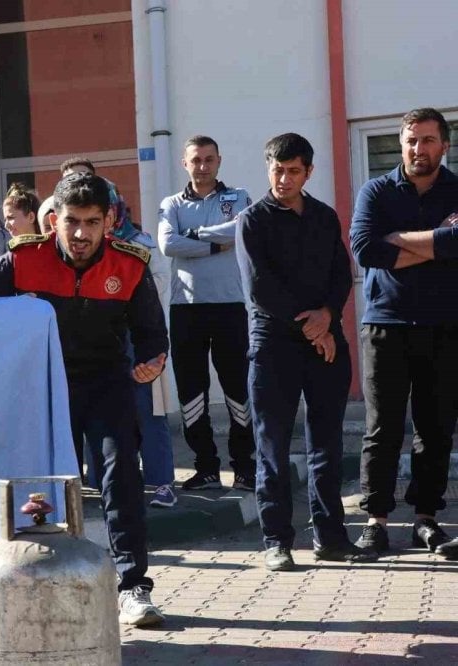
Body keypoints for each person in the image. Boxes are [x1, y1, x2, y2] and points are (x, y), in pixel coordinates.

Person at [0, 171, 169, 627]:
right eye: (71, 221)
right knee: (44, 484)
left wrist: (153, 361)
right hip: (43, 385)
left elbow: (152, 334)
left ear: (108, 221)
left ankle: (134, 587)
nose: (81, 234)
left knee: (121, 474)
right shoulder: (20, 259)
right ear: (54, 220)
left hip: (107, 382)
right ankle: (37, 582)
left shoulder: (130, 264)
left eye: (92, 222)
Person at [236, 133, 376, 571]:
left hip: (325, 342)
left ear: (308, 172)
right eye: (277, 170)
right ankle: (276, 539)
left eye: (293, 170)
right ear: (268, 169)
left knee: (326, 445)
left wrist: (329, 316)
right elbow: (261, 289)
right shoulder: (252, 221)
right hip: (274, 344)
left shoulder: (323, 216)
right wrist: (316, 328)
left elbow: (341, 273)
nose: (284, 178)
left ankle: (331, 537)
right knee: (273, 447)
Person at [349, 107, 458, 559]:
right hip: (386, 324)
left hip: (446, 326)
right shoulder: (375, 190)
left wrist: (399, 240)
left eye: (428, 140)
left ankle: (426, 521)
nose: (419, 148)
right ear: (401, 143)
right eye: (411, 140)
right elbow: (364, 249)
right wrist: (438, 244)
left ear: (444, 145)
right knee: (382, 427)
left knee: (435, 429)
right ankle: (375, 521)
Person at [159, 136, 256, 492]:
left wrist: (196, 235)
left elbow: (240, 229)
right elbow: (169, 244)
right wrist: (216, 244)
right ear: (185, 163)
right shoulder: (171, 203)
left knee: (237, 389)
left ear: (219, 161)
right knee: (191, 391)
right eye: (196, 160)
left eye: (209, 159)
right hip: (186, 309)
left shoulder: (237, 197)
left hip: (230, 306)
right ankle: (206, 468)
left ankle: (245, 468)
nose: (202, 166)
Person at [106, 180, 176, 508]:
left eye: (105, 210)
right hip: (104, 343)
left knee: (149, 414)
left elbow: (158, 289)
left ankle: (162, 482)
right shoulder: (88, 248)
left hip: (141, 340)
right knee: (111, 417)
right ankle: (114, 484)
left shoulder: (141, 244)